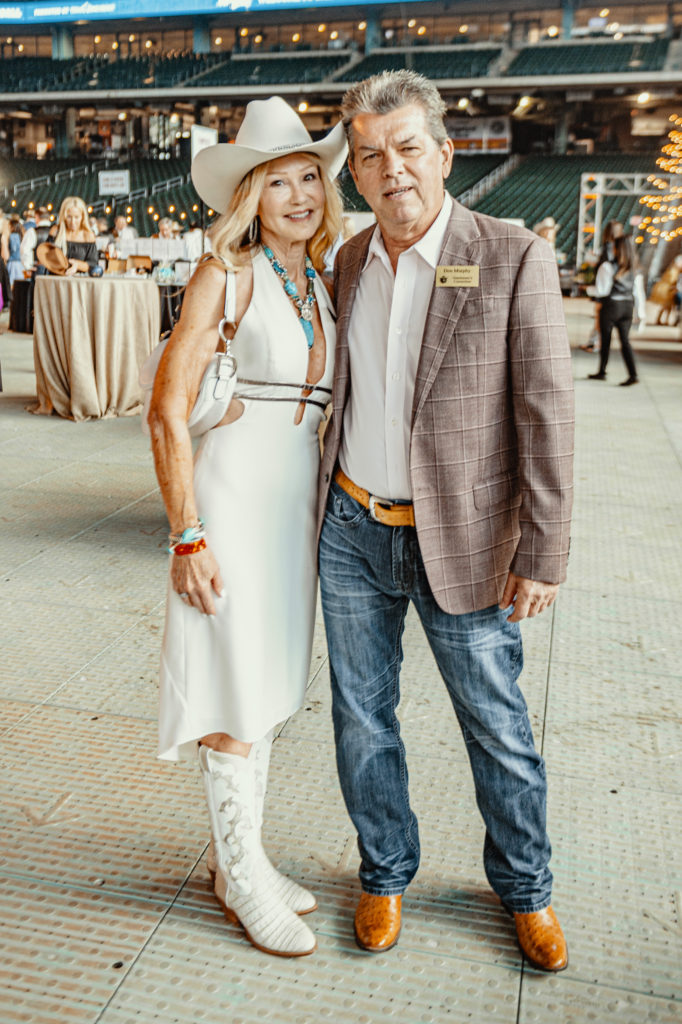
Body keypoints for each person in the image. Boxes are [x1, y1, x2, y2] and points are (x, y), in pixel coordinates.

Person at [317, 70, 574, 971]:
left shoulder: (509, 256)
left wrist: (542, 552)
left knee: (497, 724)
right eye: (369, 156)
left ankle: (527, 891)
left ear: (445, 152)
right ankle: (384, 871)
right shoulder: (348, 261)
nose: (391, 170)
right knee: (361, 718)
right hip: (352, 530)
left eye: (407, 148)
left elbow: (547, 412)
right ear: (353, 171)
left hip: (463, 538)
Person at [148, 96, 346, 959]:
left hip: (292, 508)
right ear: (250, 196)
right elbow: (164, 411)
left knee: (266, 688)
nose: (299, 194)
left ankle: (243, 867)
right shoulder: (224, 274)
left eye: (310, 177)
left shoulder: (321, 277)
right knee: (232, 687)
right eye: (279, 181)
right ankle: (239, 880)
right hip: (230, 502)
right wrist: (186, 535)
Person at [587, 221, 640, 386]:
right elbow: (638, 293)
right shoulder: (634, 269)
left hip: (611, 306)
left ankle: (602, 371)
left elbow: (601, 290)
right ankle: (633, 374)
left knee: (606, 340)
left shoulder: (607, 266)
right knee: (625, 341)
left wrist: (587, 289)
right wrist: (640, 314)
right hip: (627, 306)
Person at [48, 197, 99, 274]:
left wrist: (77, 264)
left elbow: (93, 264)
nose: (73, 222)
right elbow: (46, 256)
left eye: (76, 217)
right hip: (55, 279)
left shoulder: (88, 235)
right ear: (64, 216)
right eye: (69, 217)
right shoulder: (55, 231)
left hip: (78, 282)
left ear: (82, 217)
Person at [6, 214, 24, 288]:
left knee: (11, 283)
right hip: (18, 263)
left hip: (12, 262)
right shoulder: (19, 235)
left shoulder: (13, 236)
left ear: (12, 226)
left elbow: (14, 249)